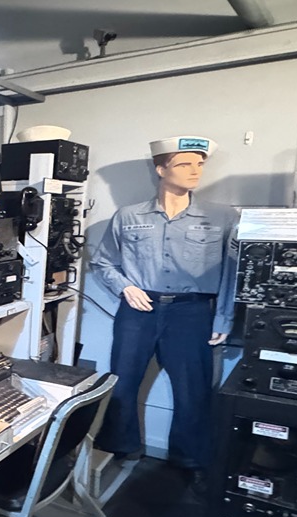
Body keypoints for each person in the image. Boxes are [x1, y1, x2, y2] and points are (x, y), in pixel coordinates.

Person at [90, 136, 237, 493]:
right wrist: (125, 287)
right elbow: (103, 261)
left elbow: (234, 271)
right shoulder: (128, 216)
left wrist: (224, 318)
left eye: (200, 164)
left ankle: (190, 459)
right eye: (185, 163)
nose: (196, 171)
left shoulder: (223, 217)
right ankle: (122, 446)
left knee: (194, 390)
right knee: (122, 383)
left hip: (192, 312)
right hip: (139, 310)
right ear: (161, 169)